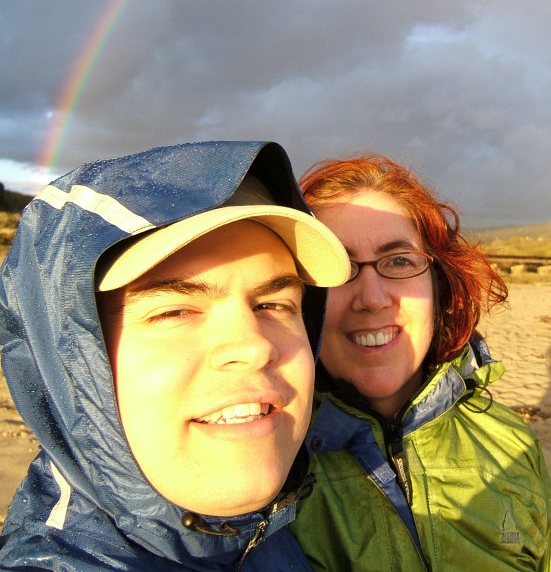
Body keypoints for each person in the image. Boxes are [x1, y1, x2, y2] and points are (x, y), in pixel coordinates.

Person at [0, 141, 351, 571]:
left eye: (274, 305)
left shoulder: (273, 536)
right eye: (175, 311)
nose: (255, 347)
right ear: (68, 361)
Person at [289, 155, 551, 571]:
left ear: (438, 285)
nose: (372, 298)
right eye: (339, 268)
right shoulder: (271, 469)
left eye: (399, 261)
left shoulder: (514, 445)